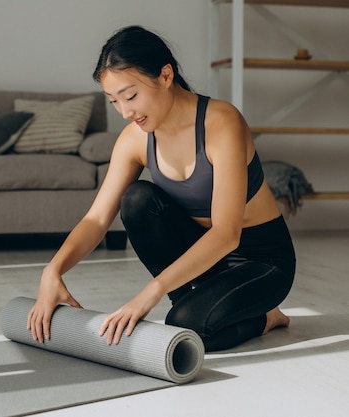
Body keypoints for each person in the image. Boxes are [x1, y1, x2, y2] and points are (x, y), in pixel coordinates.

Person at [27, 25, 295, 352]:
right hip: (203, 257)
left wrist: (147, 295)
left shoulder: (221, 123)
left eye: (131, 96)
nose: (125, 112)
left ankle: (266, 316)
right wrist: (52, 270)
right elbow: (97, 219)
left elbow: (227, 234)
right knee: (137, 199)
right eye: (114, 101)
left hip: (260, 260)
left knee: (183, 327)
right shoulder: (134, 139)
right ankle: (191, 301)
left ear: (165, 76)